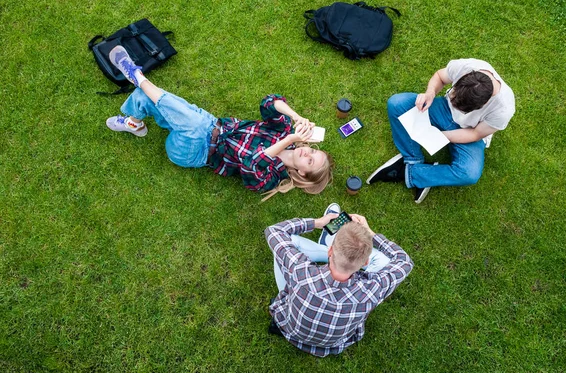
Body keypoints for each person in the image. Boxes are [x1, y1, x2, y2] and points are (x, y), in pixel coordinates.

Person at [104, 46, 333, 198]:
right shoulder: (283, 131)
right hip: (209, 122)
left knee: (189, 122)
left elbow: (251, 162)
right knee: (148, 97)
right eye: (314, 153)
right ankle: (135, 123)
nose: (308, 154)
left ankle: (137, 76)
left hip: (195, 151)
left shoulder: (271, 179)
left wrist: (292, 138)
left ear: (302, 174)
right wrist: (295, 117)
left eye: (311, 162)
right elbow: (268, 102)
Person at [265, 203, 413, 357]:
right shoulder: (372, 291)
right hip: (332, 344)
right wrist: (371, 233)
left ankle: (328, 244)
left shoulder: (300, 271)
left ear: (331, 251)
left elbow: (274, 231)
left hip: (290, 328)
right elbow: (405, 261)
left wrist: (318, 222)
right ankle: (335, 246)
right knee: (383, 260)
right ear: (365, 263)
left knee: (289, 243)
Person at [367, 58, 515, 203]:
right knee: (396, 104)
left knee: (469, 173)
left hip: (470, 129)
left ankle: (408, 172)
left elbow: (475, 134)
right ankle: (413, 159)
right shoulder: (467, 66)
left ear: (482, 105)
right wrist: (430, 93)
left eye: (461, 108)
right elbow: (440, 76)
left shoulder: (503, 109)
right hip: (443, 110)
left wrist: (440, 136)